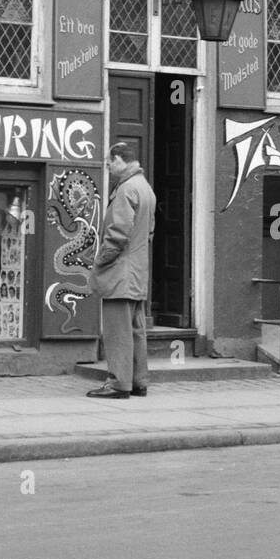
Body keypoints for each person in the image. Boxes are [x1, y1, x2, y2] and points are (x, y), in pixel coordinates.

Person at [85, 141, 156, 399]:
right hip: (137, 273)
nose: (107, 165)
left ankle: (118, 383)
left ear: (119, 160)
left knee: (118, 332)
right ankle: (139, 382)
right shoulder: (146, 189)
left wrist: (101, 262)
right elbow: (148, 232)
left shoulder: (126, 190)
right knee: (137, 330)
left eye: (109, 161)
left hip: (120, 273)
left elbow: (117, 235)